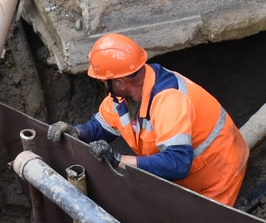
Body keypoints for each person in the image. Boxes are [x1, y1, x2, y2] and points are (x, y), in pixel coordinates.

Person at [46, 32, 250, 207]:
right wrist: (79, 133)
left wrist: (118, 160)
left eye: (103, 81)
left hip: (217, 175)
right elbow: (102, 126)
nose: (101, 84)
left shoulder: (168, 99)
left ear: (119, 83)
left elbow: (177, 163)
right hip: (182, 178)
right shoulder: (121, 98)